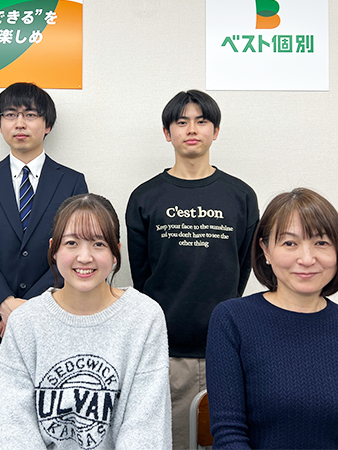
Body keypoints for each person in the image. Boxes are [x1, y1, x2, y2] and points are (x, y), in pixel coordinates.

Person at [0, 82, 88, 448]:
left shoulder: (72, 181)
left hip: (53, 320)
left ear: (47, 125)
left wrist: (29, 308)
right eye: (10, 115)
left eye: (30, 114)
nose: (20, 122)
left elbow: (76, 252)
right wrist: (4, 304)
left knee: (54, 422)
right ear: (0, 124)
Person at [125, 89, 258, 448]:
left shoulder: (241, 196)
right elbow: (142, 276)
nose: (192, 129)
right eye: (182, 122)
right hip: (165, 354)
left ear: (216, 131)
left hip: (225, 350)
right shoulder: (145, 197)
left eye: (202, 121)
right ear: (167, 133)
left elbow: (242, 268)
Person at [206, 188, 338, 449]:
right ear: (266, 250)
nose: (306, 259)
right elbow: (229, 434)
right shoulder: (232, 320)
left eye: (321, 243)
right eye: (289, 243)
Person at [0, 193, 172, 449]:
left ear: (116, 252)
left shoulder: (144, 317)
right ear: (54, 250)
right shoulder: (25, 322)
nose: (85, 257)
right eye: (72, 243)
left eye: (98, 244)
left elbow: (145, 429)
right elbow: (13, 427)